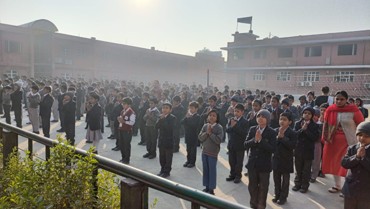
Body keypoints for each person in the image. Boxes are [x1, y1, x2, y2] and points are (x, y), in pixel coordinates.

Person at [322, 91, 364, 194]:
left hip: (350, 143)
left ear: (346, 100)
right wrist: (324, 137)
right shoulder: (331, 110)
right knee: (335, 164)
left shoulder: (354, 111)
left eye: (342, 99)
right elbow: (325, 124)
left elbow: (361, 126)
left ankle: (347, 188)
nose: (339, 101)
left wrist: (362, 141)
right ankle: (337, 186)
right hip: (333, 142)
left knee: (348, 164)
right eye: (337, 99)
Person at [244, 109, 276, 209]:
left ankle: (261, 206)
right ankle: (253, 204)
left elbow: (273, 149)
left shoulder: (272, 132)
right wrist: (255, 140)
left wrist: (261, 141)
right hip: (252, 164)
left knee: (263, 187)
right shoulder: (252, 129)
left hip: (264, 165)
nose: (260, 118)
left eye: (263, 117)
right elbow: (245, 144)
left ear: (267, 119)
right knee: (252, 186)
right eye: (258, 116)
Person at [341, 121, 370, 209]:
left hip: (366, 192)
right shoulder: (352, 148)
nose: (362, 138)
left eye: (366, 136)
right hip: (350, 189)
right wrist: (356, 157)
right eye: (359, 135)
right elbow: (344, 163)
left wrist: (363, 158)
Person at [272, 112, 297, 205]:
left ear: (290, 122)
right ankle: (277, 194)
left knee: (285, 180)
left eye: (285, 119)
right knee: (276, 179)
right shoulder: (274, 130)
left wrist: (283, 138)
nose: (282, 121)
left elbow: (292, 146)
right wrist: (278, 137)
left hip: (286, 160)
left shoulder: (292, 133)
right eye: (280, 119)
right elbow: (272, 145)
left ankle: (283, 197)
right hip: (276, 159)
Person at [292, 106, 319, 193]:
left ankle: (304, 186)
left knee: (306, 170)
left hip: (308, 151)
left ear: (312, 115)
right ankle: (297, 184)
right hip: (298, 150)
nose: (306, 115)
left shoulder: (314, 125)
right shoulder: (297, 123)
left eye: (309, 113)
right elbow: (294, 135)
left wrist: (306, 131)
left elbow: (315, 138)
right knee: (298, 168)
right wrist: (301, 130)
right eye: (305, 113)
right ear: (302, 114)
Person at [198, 110, 223, 195]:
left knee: (212, 170)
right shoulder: (205, 126)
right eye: (210, 115)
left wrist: (211, 134)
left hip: (212, 153)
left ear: (217, 118)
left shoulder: (219, 127)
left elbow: (218, 140)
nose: (211, 117)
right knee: (205, 170)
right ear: (207, 117)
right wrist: (206, 133)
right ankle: (206, 186)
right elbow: (200, 137)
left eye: (214, 116)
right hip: (204, 151)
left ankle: (211, 189)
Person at [226, 103, 248, 183]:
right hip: (231, 144)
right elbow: (227, 130)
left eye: (238, 111)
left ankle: (238, 176)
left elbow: (244, 134)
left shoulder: (245, 122)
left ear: (242, 112)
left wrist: (235, 126)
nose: (236, 113)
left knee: (238, 163)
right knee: (231, 161)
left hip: (240, 146)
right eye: (235, 111)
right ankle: (232, 175)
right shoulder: (232, 119)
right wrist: (231, 126)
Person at [156, 102, 176, 178]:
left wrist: (163, 120)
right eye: (163, 108)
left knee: (168, 157)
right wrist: (160, 120)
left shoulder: (172, 118)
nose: (164, 109)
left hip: (169, 140)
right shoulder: (160, 117)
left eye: (166, 108)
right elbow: (156, 127)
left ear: (170, 110)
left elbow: (169, 128)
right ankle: (162, 169)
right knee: (162, 156)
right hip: (161, 139)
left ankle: (167, 171)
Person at [182, 101, 201, 168]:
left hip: (194, 136)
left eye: (192, 108)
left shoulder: (197, 116)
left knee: (193, 150)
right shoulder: (188, 115)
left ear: (196, 109)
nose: (190, 109)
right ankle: (188, 160)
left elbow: (194, 125)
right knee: (188, 149)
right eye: (190, 108)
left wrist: (188, 118)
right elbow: (182, 122)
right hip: (187, 135)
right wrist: (186, 117)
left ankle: (192, 162)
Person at [117, 97, 136, 164]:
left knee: (126, 145)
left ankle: (127, 159)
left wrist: (124, 121)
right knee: (122, 144)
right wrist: (119, 120)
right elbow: (121, 119)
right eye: (123, 103)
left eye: (124, 103)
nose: (123, 105)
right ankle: (123, 157)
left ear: (129, 104)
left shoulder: (131, 112)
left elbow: (132, 122)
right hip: (121, 129)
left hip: (127, 130)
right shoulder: (123, 111)